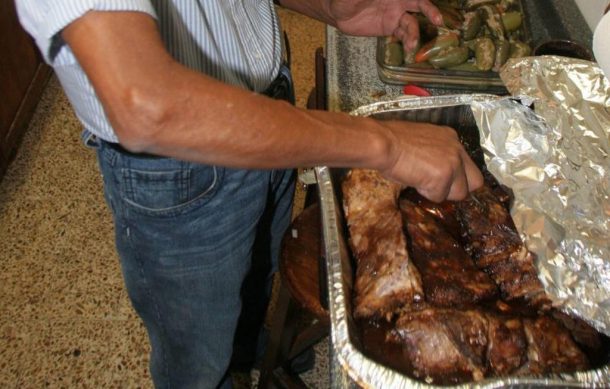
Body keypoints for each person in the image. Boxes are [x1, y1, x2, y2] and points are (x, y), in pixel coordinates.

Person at [15, 1, 483, 388]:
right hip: (180, 170)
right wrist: (387, 145)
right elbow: (148, 105)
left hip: (267, 108)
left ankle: (246, 347)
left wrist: (330, 10)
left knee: (256, 277)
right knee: (197, 358)